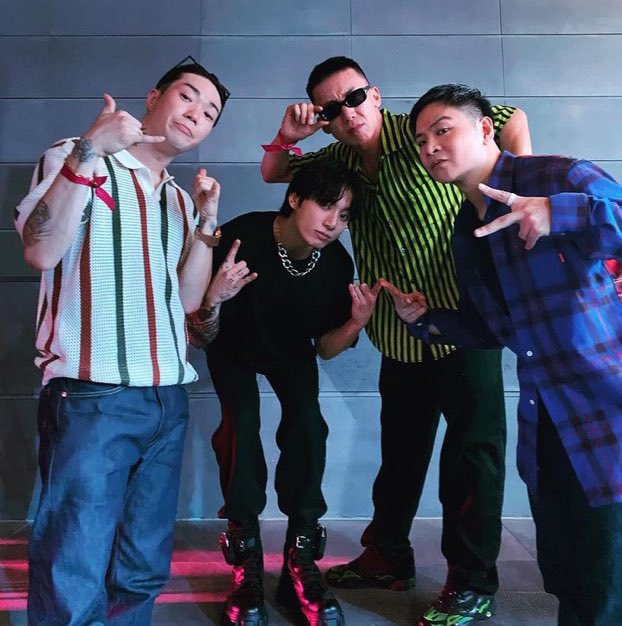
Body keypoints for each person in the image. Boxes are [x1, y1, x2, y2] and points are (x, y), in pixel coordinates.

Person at [260, 56, 532, 625]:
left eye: (355, 97)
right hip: (398, 332)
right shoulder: (337, 158)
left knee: (472, 460)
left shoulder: (424, 130)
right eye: (332, 109)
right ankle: (387, 556)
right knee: (400, 457)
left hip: (463, 325)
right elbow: (275, 173)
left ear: (376, 95)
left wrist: (521, 184)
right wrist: (288, 136)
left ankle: (471, 582)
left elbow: (509, 118)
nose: (348, 113)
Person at [385, 82, 622, 626]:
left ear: (486, 128)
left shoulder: (556, 176)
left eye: (442, 130)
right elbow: (493, 328)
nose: (430, 148)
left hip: (607, 409)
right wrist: (424, 319)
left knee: (607, 579)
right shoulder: (465, 230)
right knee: (567, 573)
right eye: (420, 141)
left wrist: (560, 212)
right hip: (547, 419)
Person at [14, 56, 229, 625]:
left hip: (167, 397)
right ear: (154, 97)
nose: (198, 114)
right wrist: (90, 147)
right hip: (93, 394)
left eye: (211, 113)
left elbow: (188, 301)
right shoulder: (75, 155)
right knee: (74, 561)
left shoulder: (179, 199)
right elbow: (40, 250)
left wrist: (206, 222)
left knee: (141, 567)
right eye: (188, 96)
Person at [188, 161, 380, 626]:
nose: (333, 222)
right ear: (294, 199)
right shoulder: (243, 237)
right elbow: (200, 333)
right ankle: (246, 561)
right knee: (241, 424)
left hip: (290, 350)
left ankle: (301, 558)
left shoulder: (335, 264)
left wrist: (356, 322)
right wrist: (214, 296)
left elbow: (326, 349)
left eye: (344, 215)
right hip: (232, 345)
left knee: (309, 426)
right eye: (326, 205)